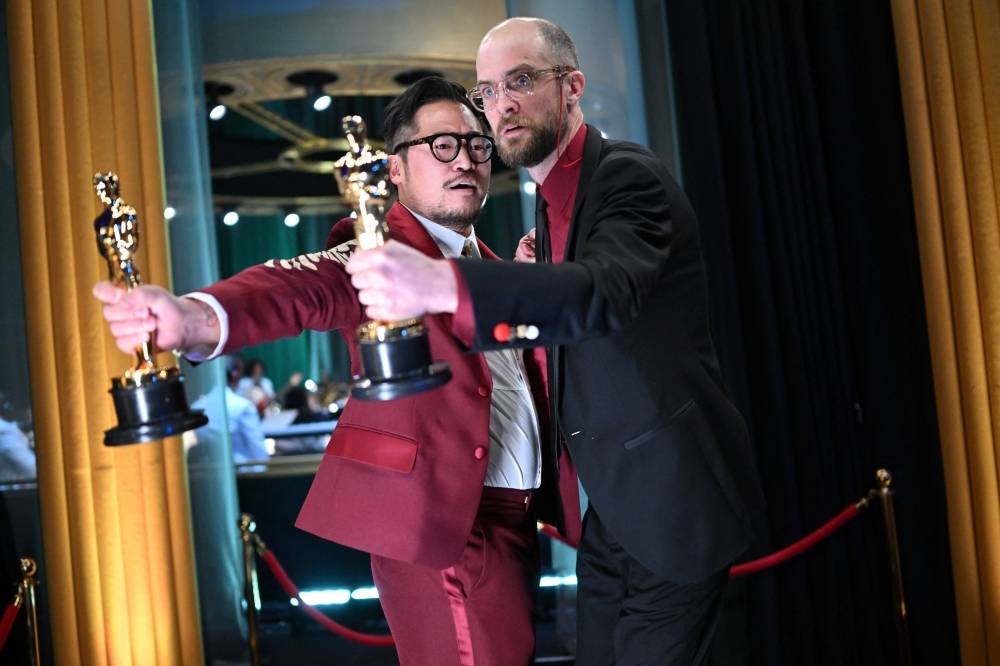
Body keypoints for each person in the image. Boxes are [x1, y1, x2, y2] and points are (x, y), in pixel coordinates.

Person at [345, 17, 767, 665]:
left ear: (572, 87)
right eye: (487, 91)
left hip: (674, 505)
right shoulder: (545, 206)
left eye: (520, 80)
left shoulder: (628, 178)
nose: (501, 104)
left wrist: (448, 286)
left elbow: (601, 294)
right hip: (612, 518)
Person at [94, 77, 548, 665]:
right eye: (441, 145)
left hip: (519, 520)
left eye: (476, 145)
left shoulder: (493, 266)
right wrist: (191, 317)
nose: (464, 159)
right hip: (448, 528)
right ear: (396, 169)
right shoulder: (376, 255)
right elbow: (295, 288)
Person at [189, 357, 269, 464]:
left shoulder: (196, 406)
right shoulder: (243, 406)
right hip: (245, 473)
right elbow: (258, 450)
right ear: (234, 376)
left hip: (206, 472)